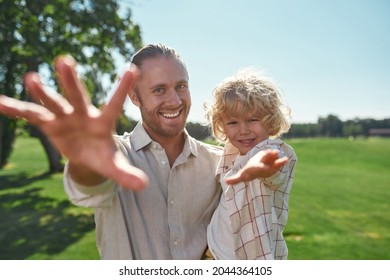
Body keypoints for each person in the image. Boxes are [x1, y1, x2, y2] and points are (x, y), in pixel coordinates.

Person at [0, 44, 281, 260]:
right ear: (135, 97)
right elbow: (90, 187)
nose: (174, 100)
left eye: (181, 86)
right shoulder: (115, 155)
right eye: (159, 89)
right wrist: (84, 161)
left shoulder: (219, 163)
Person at [205, 68, 297, 260]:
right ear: (221, 124)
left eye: (253, 120)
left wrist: (258, 168)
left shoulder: (275, 152)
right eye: (232, 123)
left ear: (270, 120)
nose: (243, 130)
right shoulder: (230, 155)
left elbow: (270, 165)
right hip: (213, 255)